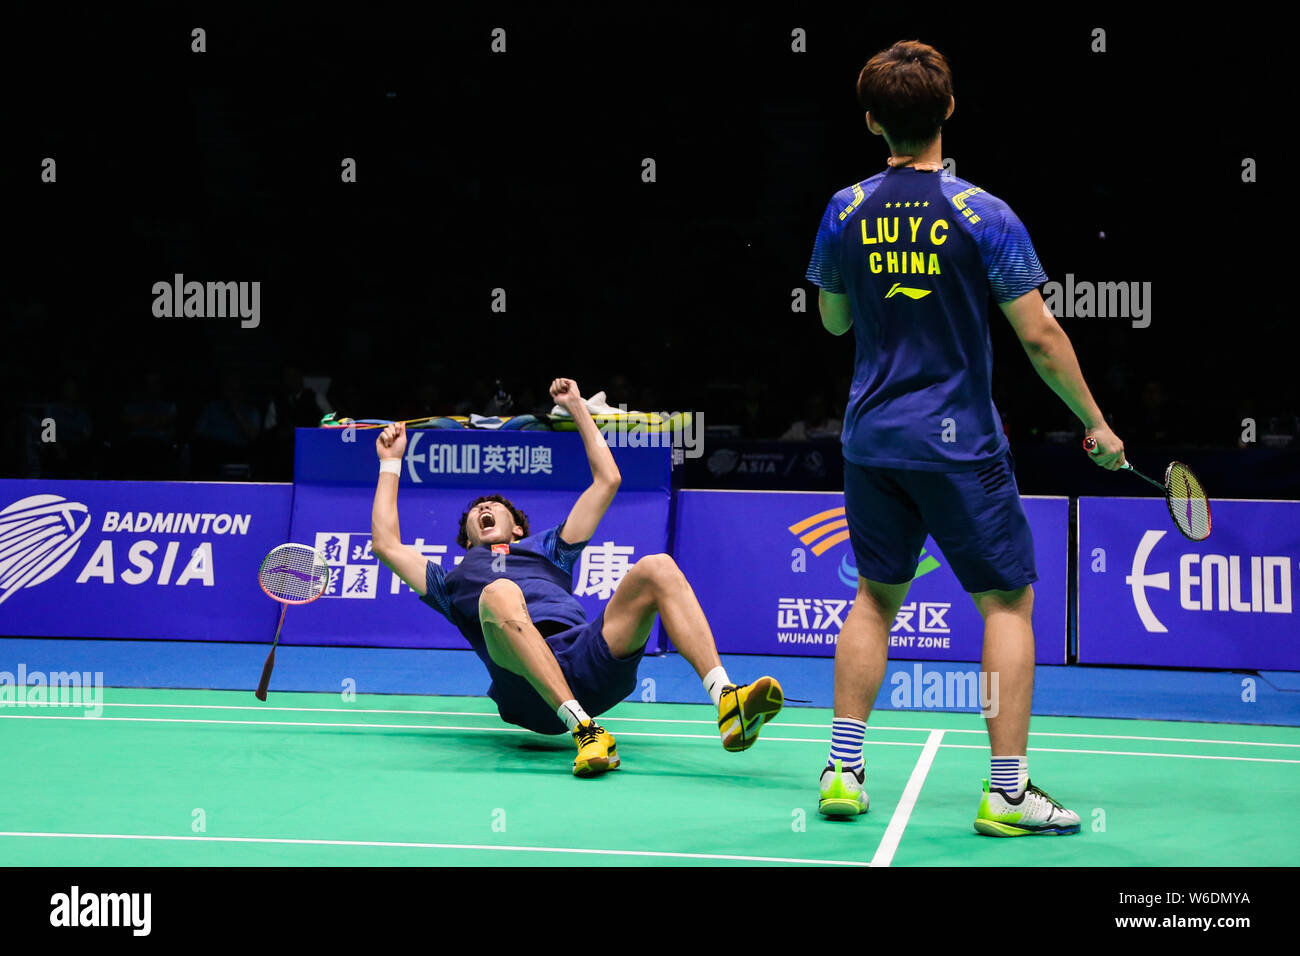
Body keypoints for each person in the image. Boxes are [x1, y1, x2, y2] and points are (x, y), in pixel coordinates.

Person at [805, 40, 1126, 835]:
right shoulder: (985, 213)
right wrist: (1096, 422)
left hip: (872, 439)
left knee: (875, 600)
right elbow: (1041, 335)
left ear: (874, 121)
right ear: (948, 110)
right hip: (961, 446)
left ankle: (844, 772)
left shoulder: (842, 209)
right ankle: (1008, 792)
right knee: (1007, 603)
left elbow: (833, 320)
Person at [370, 377, 784, 776]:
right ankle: (585, 730)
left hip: (589, 660)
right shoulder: (454, 581)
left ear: (518, 527)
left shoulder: (547, 548)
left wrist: (577, 409)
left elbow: (608, 481)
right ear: (467, 537)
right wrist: (390, 463)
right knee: (498, 592)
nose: (484, 510)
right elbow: (386, 545)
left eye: (495, 505)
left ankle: (726, 701)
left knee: (657, 566)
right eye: (477, 511)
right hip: (527, 689)